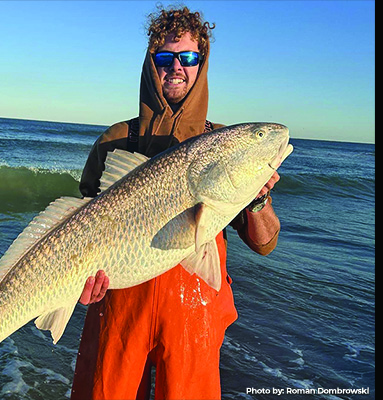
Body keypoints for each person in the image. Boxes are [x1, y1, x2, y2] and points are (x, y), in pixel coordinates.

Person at [71, 5, 282, 399]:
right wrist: (79, 284)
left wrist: (258, 201)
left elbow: (265, 243)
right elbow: (78, 226)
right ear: (151, 63)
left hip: (194, 307)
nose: (176, 67)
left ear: (201, 64)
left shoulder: (226, 144)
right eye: (165, 58)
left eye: (188, 57)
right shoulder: (116, 140)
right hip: (120, 300)